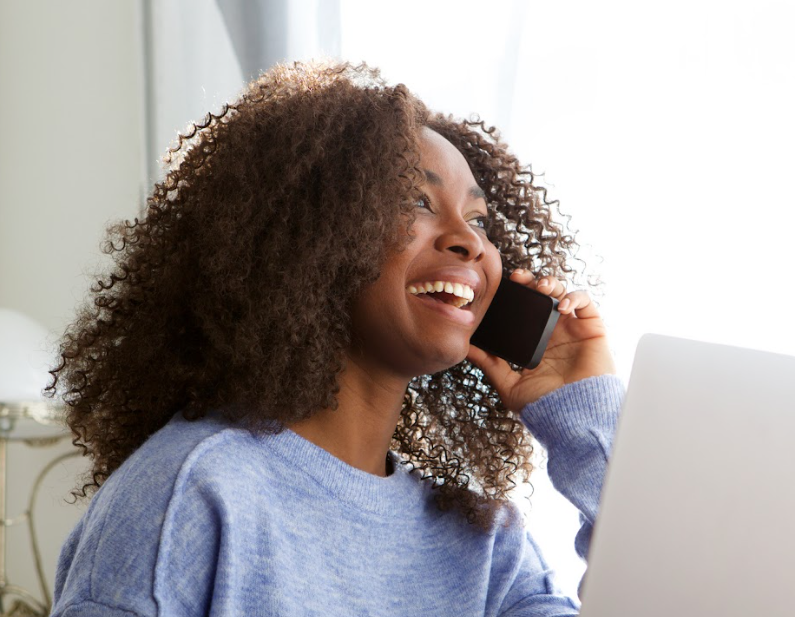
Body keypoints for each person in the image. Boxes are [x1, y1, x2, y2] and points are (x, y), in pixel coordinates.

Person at [46, 60, 624, 616]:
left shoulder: (486, 547)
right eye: (414, 201)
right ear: (308, 238)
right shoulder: (192, 493)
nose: (469, 242)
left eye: (477, 219)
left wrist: (585, 421)